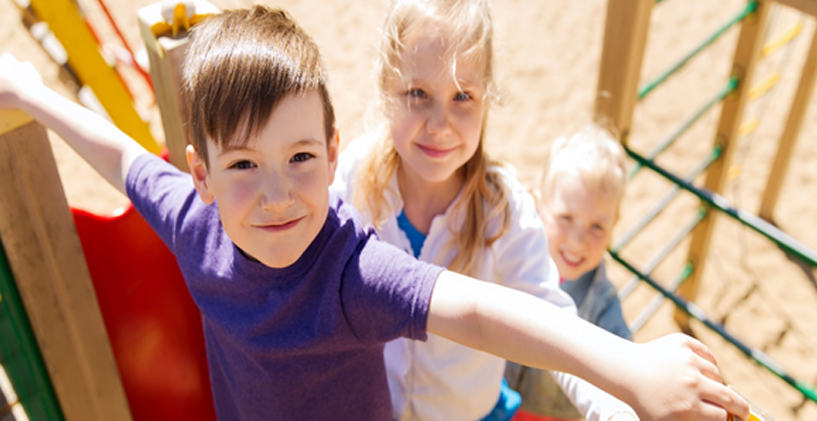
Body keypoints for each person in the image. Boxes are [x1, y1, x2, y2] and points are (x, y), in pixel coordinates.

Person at [0, 6, 749, 421]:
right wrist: (30, 91)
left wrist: (628, 370)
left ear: (328, 155)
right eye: (244, 165)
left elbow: (486, 310)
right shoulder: (201, 222)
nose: (277, 194)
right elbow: (124, 159)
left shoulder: (352, 272)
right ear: (201, 175)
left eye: (299, 158)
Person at [330, 1, 635, 420]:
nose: (440, 124)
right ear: (386, 89)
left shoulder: (504, 211)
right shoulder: (353, 177)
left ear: (486, 98)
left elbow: (553, 321)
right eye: (418, 94)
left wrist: (615, 407)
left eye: (462, 96)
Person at [505, 124, 632, 421]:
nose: (578, 241)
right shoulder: (515, 261)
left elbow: (626, 365)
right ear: (539, 206)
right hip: (500, 401)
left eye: (597, 226)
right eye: (565, 217)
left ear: (613, 225)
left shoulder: (601, 303)